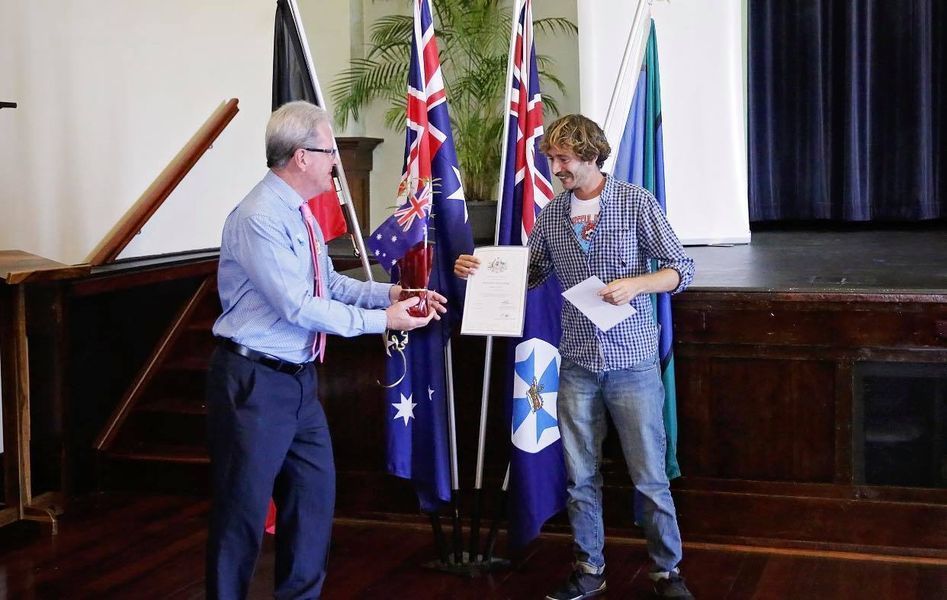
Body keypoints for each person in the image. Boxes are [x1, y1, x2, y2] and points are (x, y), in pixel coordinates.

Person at [206, 100, 444, 599]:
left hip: (297, 381)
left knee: (312, 501)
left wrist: (392, 294)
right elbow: (298, 306)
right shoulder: (258, 218)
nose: (336, 159)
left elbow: (326, 282)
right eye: (330, 149)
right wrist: (383, 321)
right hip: (254, 383)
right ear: (300, 157)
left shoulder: (299, 213)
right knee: (243, 513)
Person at [454, 114, 695, 600]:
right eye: (552, 158)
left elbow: (681, 268)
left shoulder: (634, 203)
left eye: (563, 158)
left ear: (591, 156)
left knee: (649, 477)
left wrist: (638, 284)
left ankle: (667, 573)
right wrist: (479, 272)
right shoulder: (552, 214)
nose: (556, 167)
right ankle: (589, 569)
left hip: (632, 362)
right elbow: (531, 272)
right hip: (578, 364)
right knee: (579, 476)